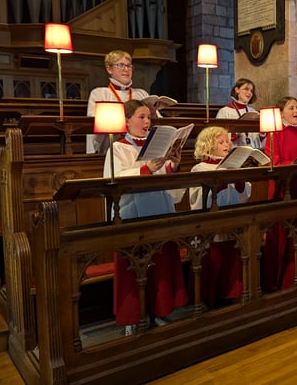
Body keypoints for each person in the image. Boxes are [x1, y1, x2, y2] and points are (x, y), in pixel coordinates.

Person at [103, 99, 188, 335]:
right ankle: (133, 315)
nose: (147, 121)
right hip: (133, 214)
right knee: (134, 267)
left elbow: (165, 180)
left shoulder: (156, 146)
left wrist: (173, 166)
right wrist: (145, 169)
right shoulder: (118, 147)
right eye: (141, 117)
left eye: (149, 117)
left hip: (158, 209)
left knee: (159, 265)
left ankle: (160, 310)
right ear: (127, 121)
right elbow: (114, 179)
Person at [261, 96, 297, 290]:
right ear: (281, 113)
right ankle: (281, 278)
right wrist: (294, 165)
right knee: (283, 233)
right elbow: (274, 162)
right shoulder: (274, 134)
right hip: (283, 189)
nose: (296, 111)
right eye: (291, 108)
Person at [189, 126, 250, 307]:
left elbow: (245, 194)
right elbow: (196, 199)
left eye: (227, 142)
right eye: (221, 142)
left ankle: (231, 292)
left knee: (231, 258)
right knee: (213, 259)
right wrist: (217, 187)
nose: (226, 145)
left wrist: (240, 185)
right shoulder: (200, 168)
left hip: (232, 220)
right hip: (211, 225)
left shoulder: (233, 166)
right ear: (208, 145)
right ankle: (209, 297)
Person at [87, 50, 151, 154]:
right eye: (121, 65)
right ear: (109, 69)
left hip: (141, 147)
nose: (126, 69)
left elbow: (157, 122)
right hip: (112, 148)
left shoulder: (141, 94)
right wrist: (92, 152)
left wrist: (152, 112)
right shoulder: (100, 93)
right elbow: (92, 125)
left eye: (129, 66)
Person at [216, 78, 264, 148]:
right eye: (246, 89)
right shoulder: (225, 112)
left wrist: (262, 134)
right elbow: (219, 136)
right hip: (234, 150)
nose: (249, 93)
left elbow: (256, 139)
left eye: (251, 91)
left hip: (251, 151)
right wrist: (236, 132)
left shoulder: (253, 111)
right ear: (237, 90)